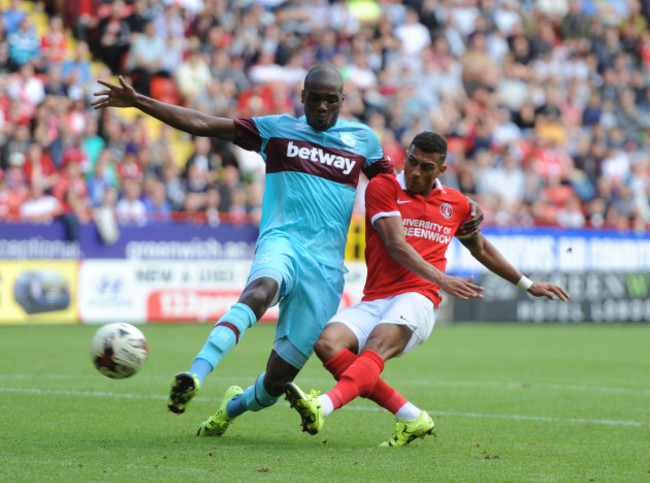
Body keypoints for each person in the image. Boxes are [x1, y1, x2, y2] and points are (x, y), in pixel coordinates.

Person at [91, 66, 484, 437]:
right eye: (315, 98)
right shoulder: (276, 130)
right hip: (282, 243)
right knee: (261, 289)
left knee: (276, 383)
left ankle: (230, 408)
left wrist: (462, 206)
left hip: (325, 272)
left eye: (331, 99)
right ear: (302, 97)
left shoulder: (363, 141)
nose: (322, 107)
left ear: (343, 100)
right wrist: (140, 101)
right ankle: (195, 374)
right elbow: (204, 124)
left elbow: (402, 187)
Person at [283, 132, 570, 447]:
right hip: (377, 297)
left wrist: (527, 284)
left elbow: (481, 249)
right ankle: (411, 416)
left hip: (419, 297)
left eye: (426, 167)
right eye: (412, 162)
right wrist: (444, 278)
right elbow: (396, 245)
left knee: (374, 348)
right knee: (328, 343)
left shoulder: (456, 204)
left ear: (441, 171)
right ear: (406, 157)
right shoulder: (384, 187)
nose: (416, 172)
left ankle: (321, 406)